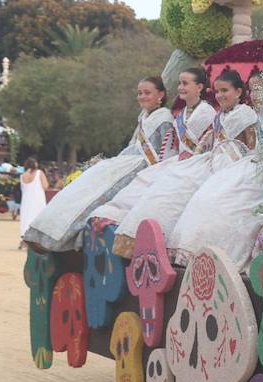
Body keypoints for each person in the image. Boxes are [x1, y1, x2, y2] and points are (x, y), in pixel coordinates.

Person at [123, 70, 258, 262]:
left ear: (238, 92)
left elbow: (252, 148)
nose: (219, 95)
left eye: (225, 90)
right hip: (212, 163)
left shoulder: (246, 114)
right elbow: (208, 144)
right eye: (217, 91)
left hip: (237, 168)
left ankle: (213, 256)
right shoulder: (219, 116)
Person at [26, 77, 175, 252]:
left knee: (99, 192)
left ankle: (59, 238)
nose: (142, 96)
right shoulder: (144, 116)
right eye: (139, 93)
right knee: (85, 186)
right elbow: (134, 146)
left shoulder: (164, 118)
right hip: (128, 161)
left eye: (147, 93)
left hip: (144, 167)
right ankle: (44, 231)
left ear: (161, 95)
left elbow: (163, 153)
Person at [17, 157, 49, 241]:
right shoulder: (39, 173)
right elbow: (45, 186)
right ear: (35, 164)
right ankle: (36, 239)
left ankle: (24, 238)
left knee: (26, 218)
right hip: (38, 199)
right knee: (37, 217)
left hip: (26, 201)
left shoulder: (22, 175)